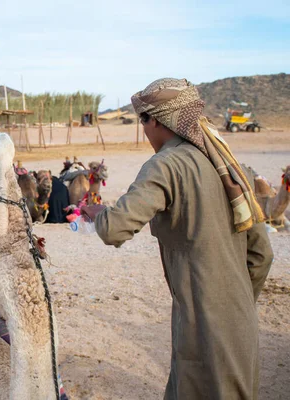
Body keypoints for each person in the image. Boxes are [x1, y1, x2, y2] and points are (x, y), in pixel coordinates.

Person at [82, 78, 273, 400]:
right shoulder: (229, 165)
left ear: (155, 120)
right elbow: (261, 254)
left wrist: (96, 213)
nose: (145, 132)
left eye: (143, 122)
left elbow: (114, 229)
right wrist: (237, 302)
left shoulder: (166, 165)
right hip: (238, 317)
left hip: (203, 322)